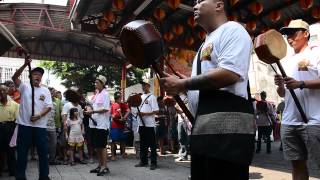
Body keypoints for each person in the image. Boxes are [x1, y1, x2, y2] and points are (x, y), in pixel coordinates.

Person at [160, 0, 255, 179]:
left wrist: (183, 84)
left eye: (200, 1)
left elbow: (229, 73)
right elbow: (204, 84)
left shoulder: (233, 30)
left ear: (219, 5)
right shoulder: (204, 44)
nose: (194, 6)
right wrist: (185, 85)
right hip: (204, 126)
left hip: (227, 125)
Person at [275, 19, 320, 180]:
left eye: (293, 33)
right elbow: (283, 94)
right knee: (297, 165)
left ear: (306, 33)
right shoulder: (287, 61)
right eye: (287, 35)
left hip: (314, 120)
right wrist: (280, 85)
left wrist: (301, 83)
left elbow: (298, 84)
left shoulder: (316, 52)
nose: (289, 38)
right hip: (289, 122)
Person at [12, 61, 53, 180]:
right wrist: (25, 64)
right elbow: (14, 77)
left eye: (40, 75)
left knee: (43, 154)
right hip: (25, 125)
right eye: (35, 74)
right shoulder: (24, 87)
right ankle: (20, 176)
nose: (38, 76)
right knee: (22, 154)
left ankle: (44, 176)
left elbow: (49, 106)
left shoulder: (45, 90)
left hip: (40, 127)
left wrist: (39, 115)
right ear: (30, 76)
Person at [85, 75, 111, 176]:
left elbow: (105, 108)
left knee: (102, 146)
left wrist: (92, 111)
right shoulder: (96, 94)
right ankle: (100, 165)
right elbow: (91, 105)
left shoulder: (105, 94)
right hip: (94, 124)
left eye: (97, 83)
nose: (95, 84)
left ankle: (105, 166)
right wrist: (87, 109)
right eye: (95, 82)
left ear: (102, 84)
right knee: (97, 146)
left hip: (102, 125)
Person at [134, 81, 159, 170]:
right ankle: (143, 161)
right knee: (143, 144)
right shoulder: (140, 97)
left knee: (152, 144)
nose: (143, 86)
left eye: (144, 85)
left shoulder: (152, 97)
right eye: (142, 85)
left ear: (148, 86)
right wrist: (138, 113)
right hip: (141, 124)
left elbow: (156, 111)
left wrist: (144, 114)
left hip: (150, 125)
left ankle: (153, 162)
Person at [0, 84, 19, 177]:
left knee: (11, 151)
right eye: (0, 90)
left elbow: (17, 120)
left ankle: (12, 171)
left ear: (7, 92)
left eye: (3, 90)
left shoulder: (15, 105)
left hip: (10, 127)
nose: (1, 92)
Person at [61, 89, 84, 165]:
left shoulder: (79, 106)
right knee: (66, 144)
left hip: (77, 127)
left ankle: (78, 158)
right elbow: (64, 115)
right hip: (68, 126)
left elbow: (81, 117)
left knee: (79, 144)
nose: (78, 101)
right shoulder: (67, 105)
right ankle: (66, 158)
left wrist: (82, 129)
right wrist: (65, 125)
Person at [110, 91, 130, 161]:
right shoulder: (113, 105)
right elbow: (111, 114)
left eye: (120, 97)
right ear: (116, 98)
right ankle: (113, 155)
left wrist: (124, 117)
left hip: (122, 125)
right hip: (115, 125)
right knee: (113, 141)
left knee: (123, 140)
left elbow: (128, 110)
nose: (120, 98)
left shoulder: (123, 104)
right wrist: (116, 118)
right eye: (119, 97)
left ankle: (123, 153)